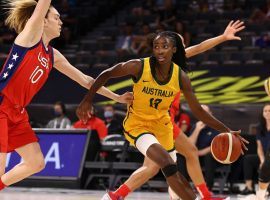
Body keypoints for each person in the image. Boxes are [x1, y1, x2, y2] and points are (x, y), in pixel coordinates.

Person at [77, 30, 247, 200]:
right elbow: (107, 74)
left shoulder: (179, 71)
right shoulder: (142, 65)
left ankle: (116, 196)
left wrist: (226, 129)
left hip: (163, 122)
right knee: (177, 160)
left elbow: (200, 50)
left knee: (158, 168)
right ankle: (203, 196)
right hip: (141, 123)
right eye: (158, 46)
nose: (162, 50)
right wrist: (88, 100)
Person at [0, 0, 132, 191]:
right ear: (43, 21)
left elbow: (86, 80)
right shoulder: (30, 37)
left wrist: (117, 97)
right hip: (2, 105)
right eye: (56, 17)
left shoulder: (53, 55)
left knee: (36, 163)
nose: (61, 22)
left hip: (17, 112)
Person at [188, 105, 222, 191]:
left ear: (210, 114)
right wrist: (197, 130)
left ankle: (207, 188)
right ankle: (184, 186)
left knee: (209, 156)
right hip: (196, 157)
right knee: (181, 156)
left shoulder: (216, 126)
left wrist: (199, 153)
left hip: (212, 157)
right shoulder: (195, 126)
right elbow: (189, 145)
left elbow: (215, 146)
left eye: (205, 112)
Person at [242, 104, 270, 200]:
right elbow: (259, 147)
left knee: (267, 164)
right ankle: (249, 188)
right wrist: (262, 160)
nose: (267, 113)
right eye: (265, 111)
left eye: (269, 111)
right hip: (263, 156)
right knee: (248, 159)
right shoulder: (259, 127)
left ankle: (265, 191)